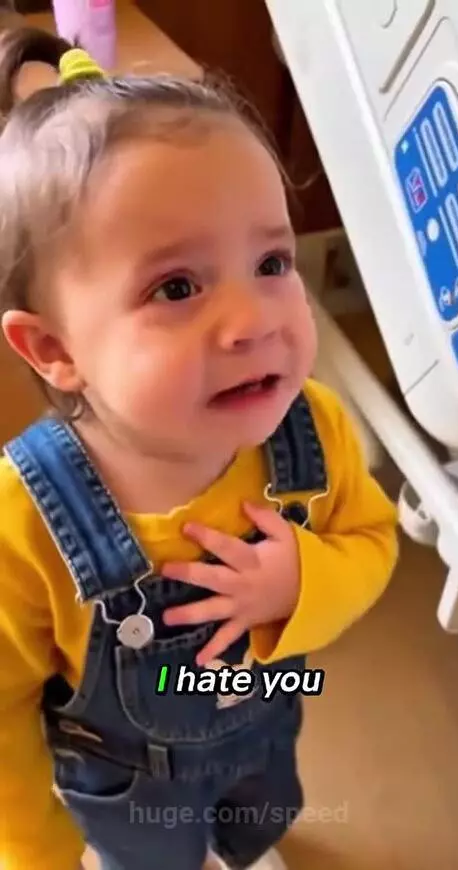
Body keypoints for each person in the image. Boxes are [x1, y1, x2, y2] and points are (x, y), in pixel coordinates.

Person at [0, 25, 398, 870]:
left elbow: (373, 541)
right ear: (55, 349)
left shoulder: (313, 430)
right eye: (177, 286)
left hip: (262, 732)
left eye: (272, 262)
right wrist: (32, 851)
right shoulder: (23, 517)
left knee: (259, 822)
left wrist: (303, 582)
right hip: (128, 788)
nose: (254, 320)